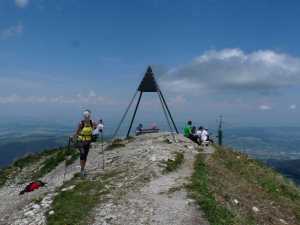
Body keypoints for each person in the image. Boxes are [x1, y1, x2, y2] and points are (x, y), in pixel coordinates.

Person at [75, 110, 94, 177]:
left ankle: (82, 169)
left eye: (88, 116)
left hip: (88, 142)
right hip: (81, 141)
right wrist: (75, 138)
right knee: (82, 154)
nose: (87, 117)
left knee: (85, 156)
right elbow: (77, 132)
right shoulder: (81, 123)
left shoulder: (92, 123)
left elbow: (95, 129)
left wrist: (100, 128)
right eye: (86, 116)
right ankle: (82, 171)